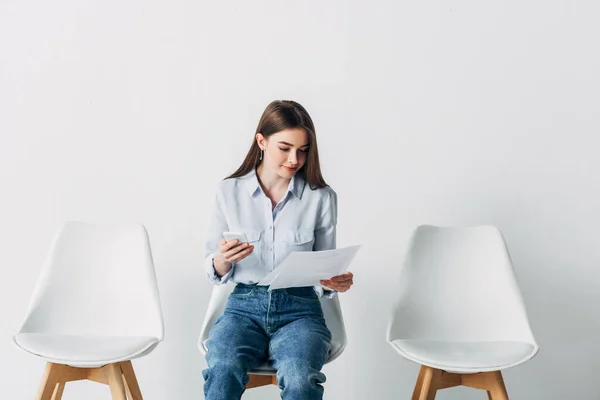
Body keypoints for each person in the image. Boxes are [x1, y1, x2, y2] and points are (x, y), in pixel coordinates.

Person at [202, 100, 354, 400]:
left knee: (300, 376)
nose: (294, 159)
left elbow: (326, 265)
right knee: (222, 367)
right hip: (243, 307)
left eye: (302, 149)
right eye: (284, 148)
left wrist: (335, 281)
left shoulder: (321, 197)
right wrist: (222, 260)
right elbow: (213, 269)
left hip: (300, 310)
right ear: (261, 141)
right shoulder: (228, 192)